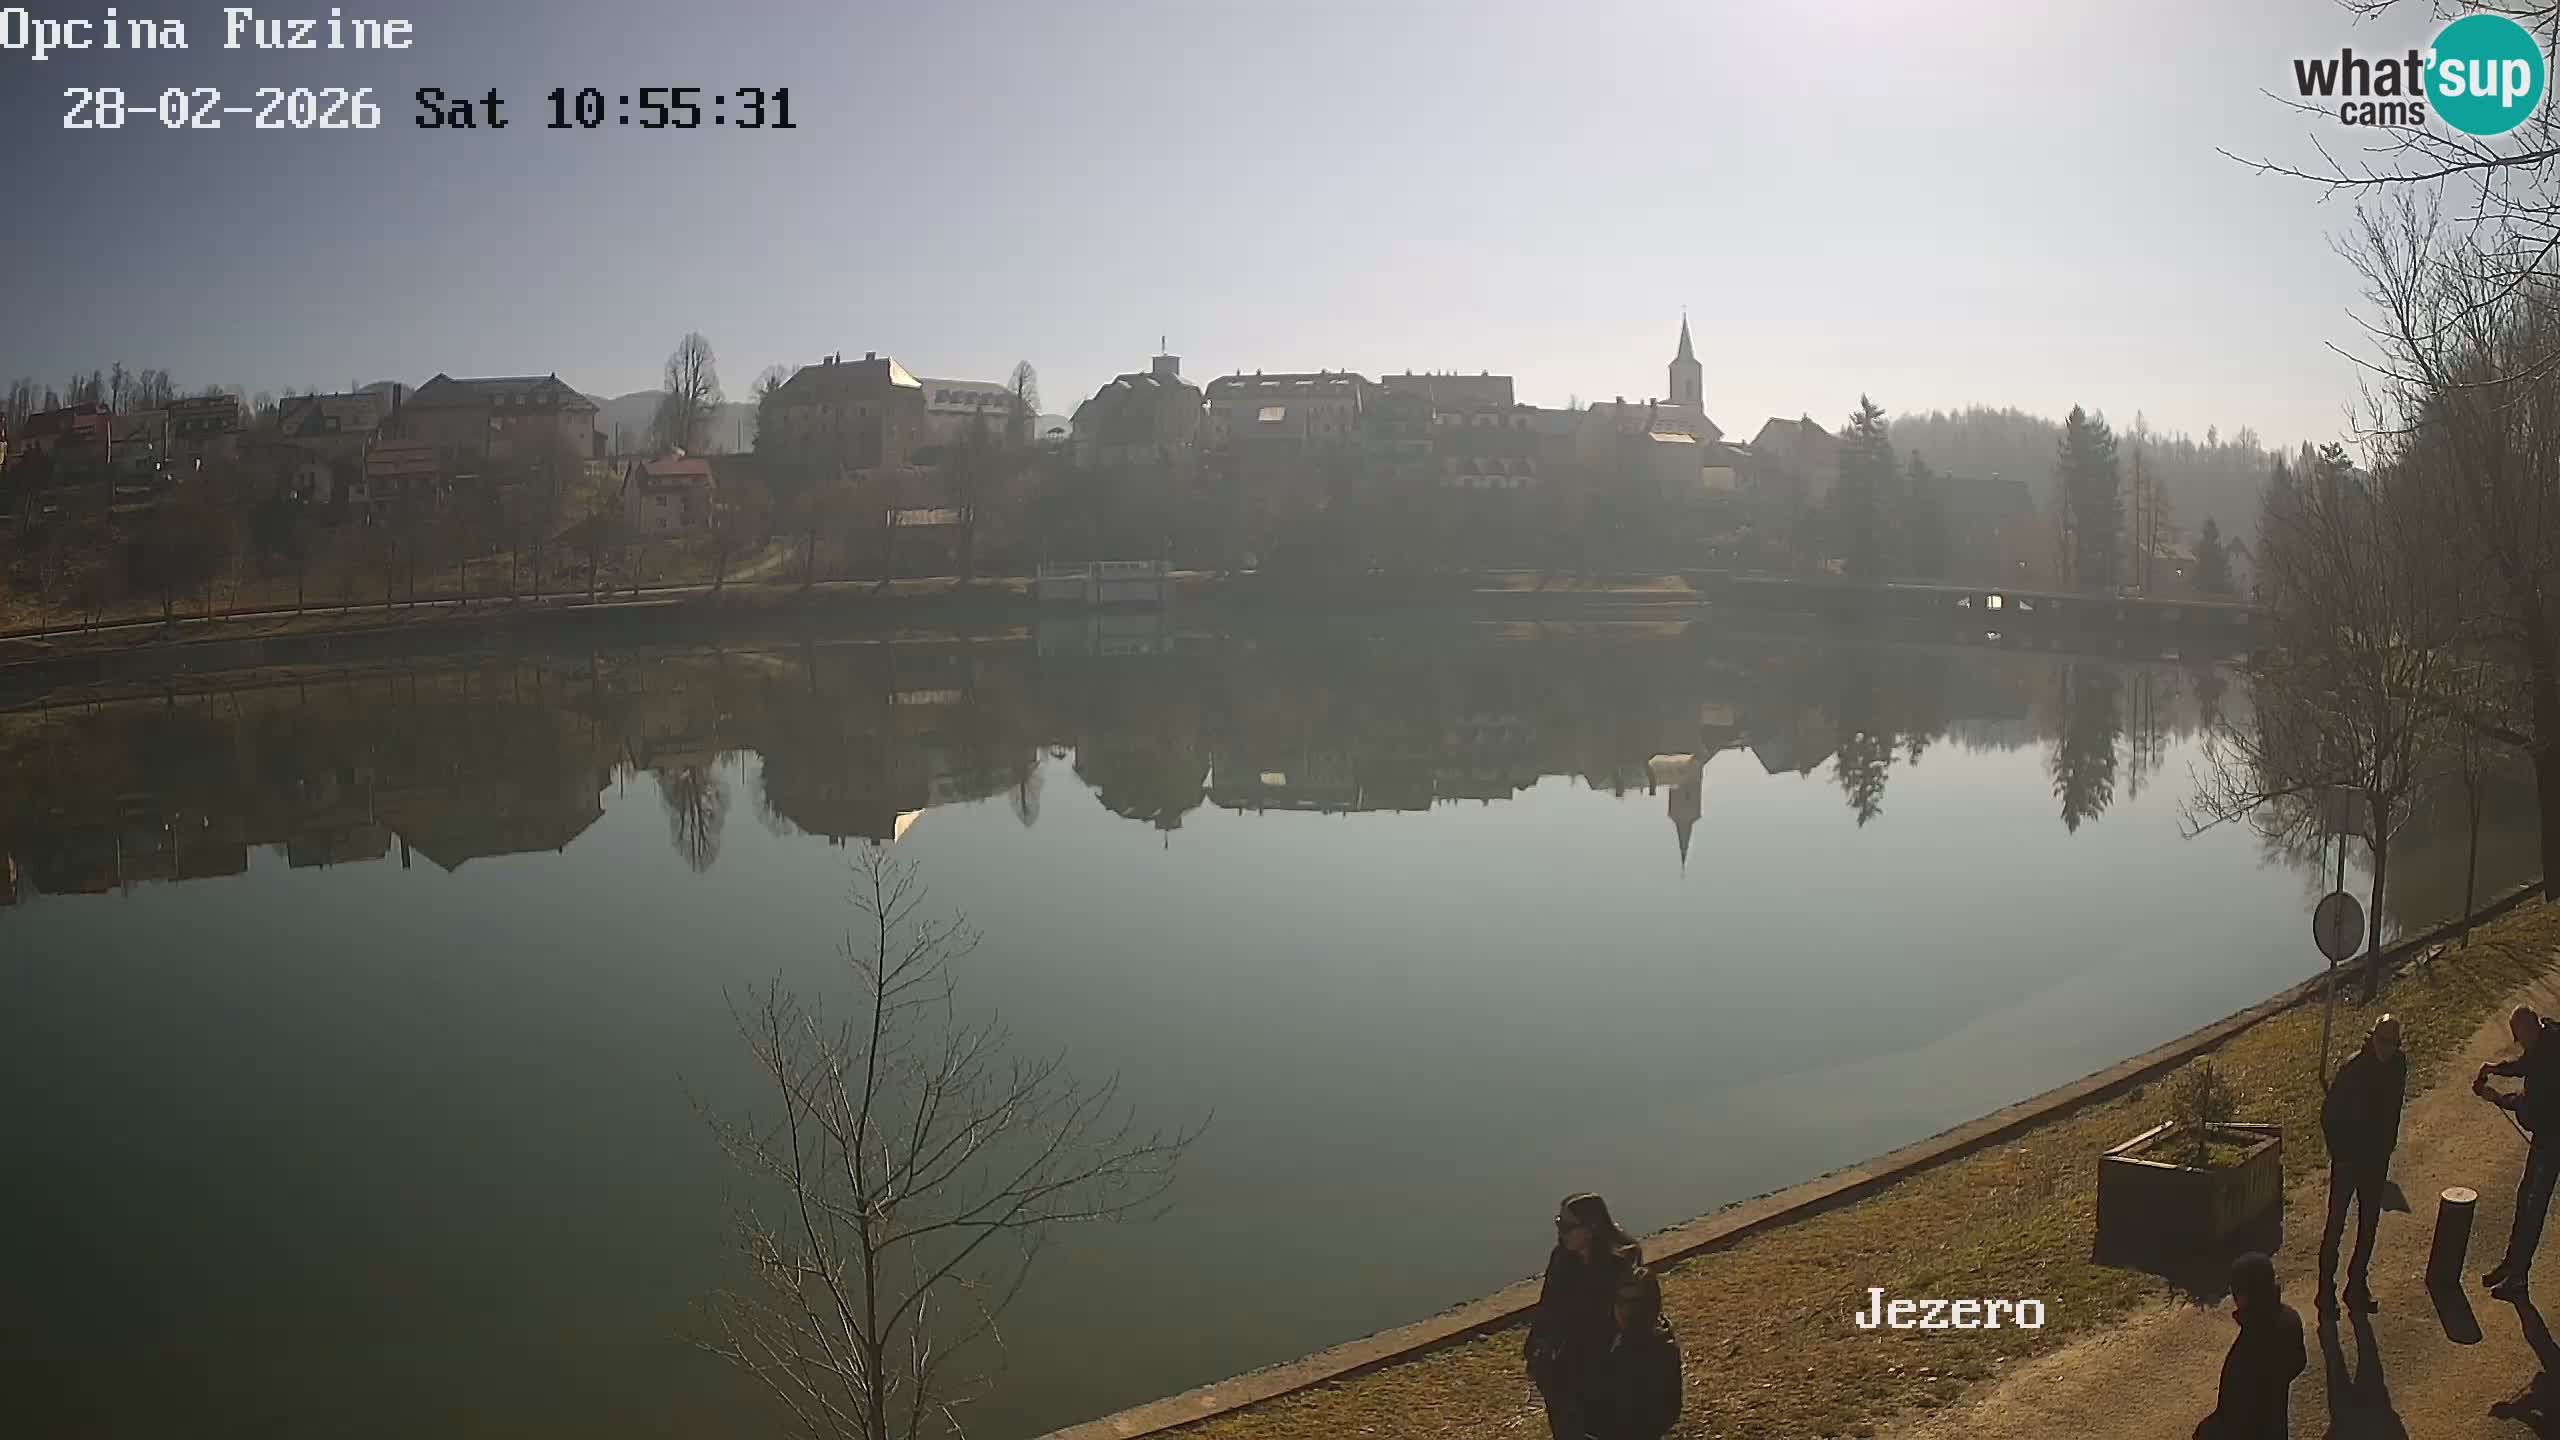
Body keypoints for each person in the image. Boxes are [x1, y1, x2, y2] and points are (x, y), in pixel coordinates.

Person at [1525, 1192, 1641, 1440]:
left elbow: (1626, 1322)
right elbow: (1548, 1306)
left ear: (1591, 1228)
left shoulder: (1620, 1264)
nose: (1561, 1231)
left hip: (1604, 1365)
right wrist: (1535, 1349)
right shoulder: (1561, 1259)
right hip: (1564, 1363)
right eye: (1559, 1222)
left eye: (1567, 1226)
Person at [2318, 1013, 2406, 1314]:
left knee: (2369, 1225)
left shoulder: (2398, 1065)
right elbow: (2328, 1115)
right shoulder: (2353, 1068)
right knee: (2335, 1226)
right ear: (2372, 1039)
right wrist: (2339, 1155)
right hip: (2348, 1161)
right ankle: (2324, 1290)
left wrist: (2387, 1146)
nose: (2388, 1049)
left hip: (2376, 1160)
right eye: (2383, 1042)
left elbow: (2394, 1109)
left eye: (2393, 1044)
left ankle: (2357, 1284)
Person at [2479, 1005, 2560, 1300]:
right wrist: (2495, 1068)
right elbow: (2525, 1065)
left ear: (2527, 1029)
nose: (2519, 1041)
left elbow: (2531, 1105)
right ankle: (2512, 1264)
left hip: (2553, 1138)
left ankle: (2518, 1280)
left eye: (2518, 1035)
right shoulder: (2547, 1038)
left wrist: (2497, 1098)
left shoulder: (2550, 1057)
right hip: (2547, 1136)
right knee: (2524, 1197)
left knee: (2533, 1207)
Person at [2194, 1251, 2305, 1439]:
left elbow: (2232, 1416)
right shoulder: (2290, 1319)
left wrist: (2204, 1432)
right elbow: (2299, 1362)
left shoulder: (2250, 1348)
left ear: (2246, 1295)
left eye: (2236, 1292)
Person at [1591, 1266, 1682, 1440]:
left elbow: (1666, 1411)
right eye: (1620, 1300)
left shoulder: (1660, 1352)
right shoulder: (1608, 1338)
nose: (1625, 1310)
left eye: (1635, 1303)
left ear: (1651, 1304)